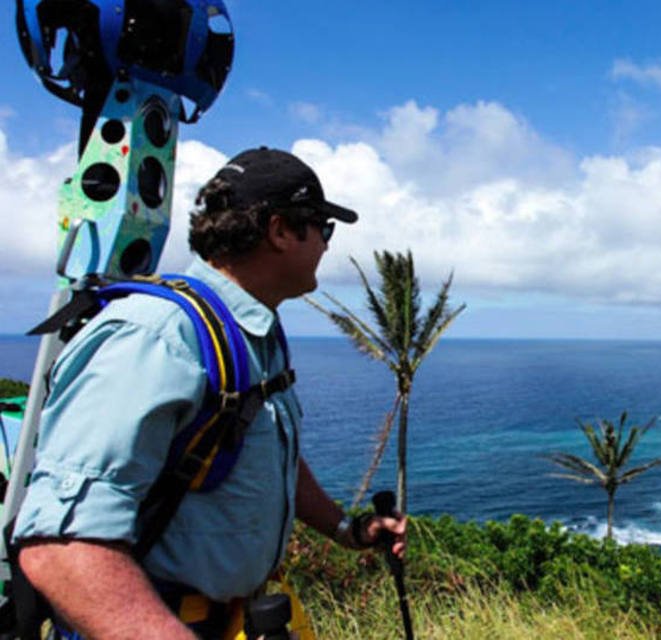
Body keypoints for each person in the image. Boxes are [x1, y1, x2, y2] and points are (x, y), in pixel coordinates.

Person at [12, 147, 406, 639]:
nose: (327, 246)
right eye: (322, 228)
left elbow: (261, 450)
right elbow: (63, 548)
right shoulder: (154, 336)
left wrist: (347, 530)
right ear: (280, 230)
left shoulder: (254, 334)